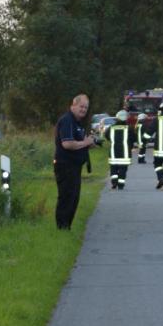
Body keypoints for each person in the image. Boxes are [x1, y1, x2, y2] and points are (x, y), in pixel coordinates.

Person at [54, 94, 97, 229]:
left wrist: (90, 143)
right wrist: (85, 143)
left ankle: (67, 227)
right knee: (67, 197)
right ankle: (62, 228)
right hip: (65, 165)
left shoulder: (77, 122)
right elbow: (67, 144)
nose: (83, 110)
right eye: (81, 106)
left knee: (73, 198)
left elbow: (80, 141)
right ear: (73, 105)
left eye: (86, 107)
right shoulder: (67, 120)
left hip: (75, 167)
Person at [105, 110, 134, 190]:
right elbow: (133, 138)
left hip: (113, 153)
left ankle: (114, 182)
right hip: (125, 153)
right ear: (126, 118)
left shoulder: (111, 128)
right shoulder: (129, 128)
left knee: (113, 169)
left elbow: (106, 136)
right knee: (123, 169)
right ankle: (121, 185)